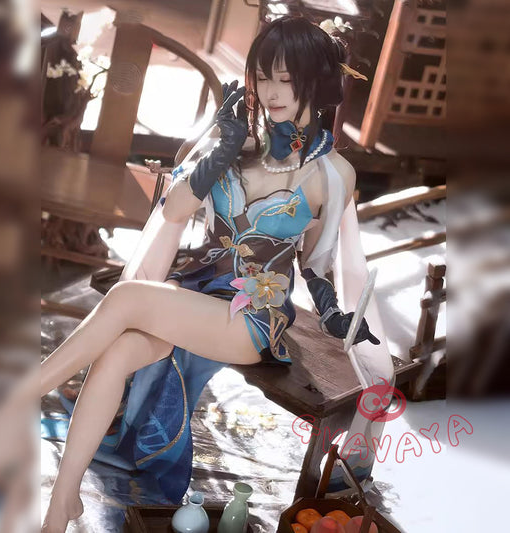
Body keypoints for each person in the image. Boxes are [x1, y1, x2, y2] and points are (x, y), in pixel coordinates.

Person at [40, 15, 394, 533]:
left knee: (128, 298)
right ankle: (62, 502)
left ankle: (20, 396)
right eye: (263, 77)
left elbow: (316, 266)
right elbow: (174, 210)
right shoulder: (236, 143)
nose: (271, 92)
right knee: (116, 353)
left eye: (285, 79)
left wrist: (335, 315)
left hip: (253, 317)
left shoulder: (333, 174)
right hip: (195, 290)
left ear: (315, 83)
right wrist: (223, 148)